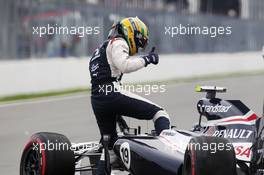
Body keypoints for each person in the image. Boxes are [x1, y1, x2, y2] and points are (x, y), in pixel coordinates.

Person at [89, 17, 171, 174]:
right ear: (131, 31)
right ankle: (166, 157)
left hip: (97, 98)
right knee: (159, 113)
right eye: (139, 39)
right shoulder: (119, 42)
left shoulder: (100, 48)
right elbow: (124, 65)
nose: (140, 45)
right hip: (111, 92)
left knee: (110, 149)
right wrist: (147, 59)